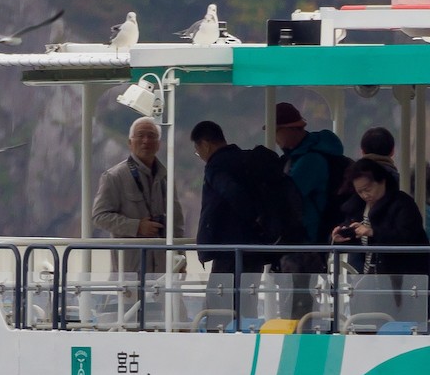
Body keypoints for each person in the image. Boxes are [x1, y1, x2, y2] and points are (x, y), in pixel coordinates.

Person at [93, 117, 185, 275]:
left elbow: (176, 223)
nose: (145, 140)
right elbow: (99, 216)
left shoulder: (166, 178)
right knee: (130, 301)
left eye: (151, 136)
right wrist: (136, 227)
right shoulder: (114, 177)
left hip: (164, 273)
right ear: (130, 142)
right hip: (129, 274)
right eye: (140, 135)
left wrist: (181, 259)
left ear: (158, 144)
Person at [191, 120, 268, 276]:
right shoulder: (245, 160)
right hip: (255, 245)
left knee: (219, 297)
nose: (200, 156)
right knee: (248, 296)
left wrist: (249, 216)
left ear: (206, 145)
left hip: (229, 248)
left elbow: (231, 191)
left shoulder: (216, 166)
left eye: (198, 151)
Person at [332, 159, 430, 279]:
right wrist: (342, 238)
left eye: (368, 189)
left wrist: (373, 232)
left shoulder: (402, 203)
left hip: (404, 276)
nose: (365, 195)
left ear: (382, 181)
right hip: (370, 276)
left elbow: (408, 237)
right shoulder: (357, 207)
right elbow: (359, 241)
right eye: (360, 192)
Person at [274, 102, 346, 244]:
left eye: (276, 131)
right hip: (310, 235)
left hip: (309, 237)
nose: (274, 137)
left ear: (291, 129)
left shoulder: (310, 161)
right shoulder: (301, 156)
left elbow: (287, 197)